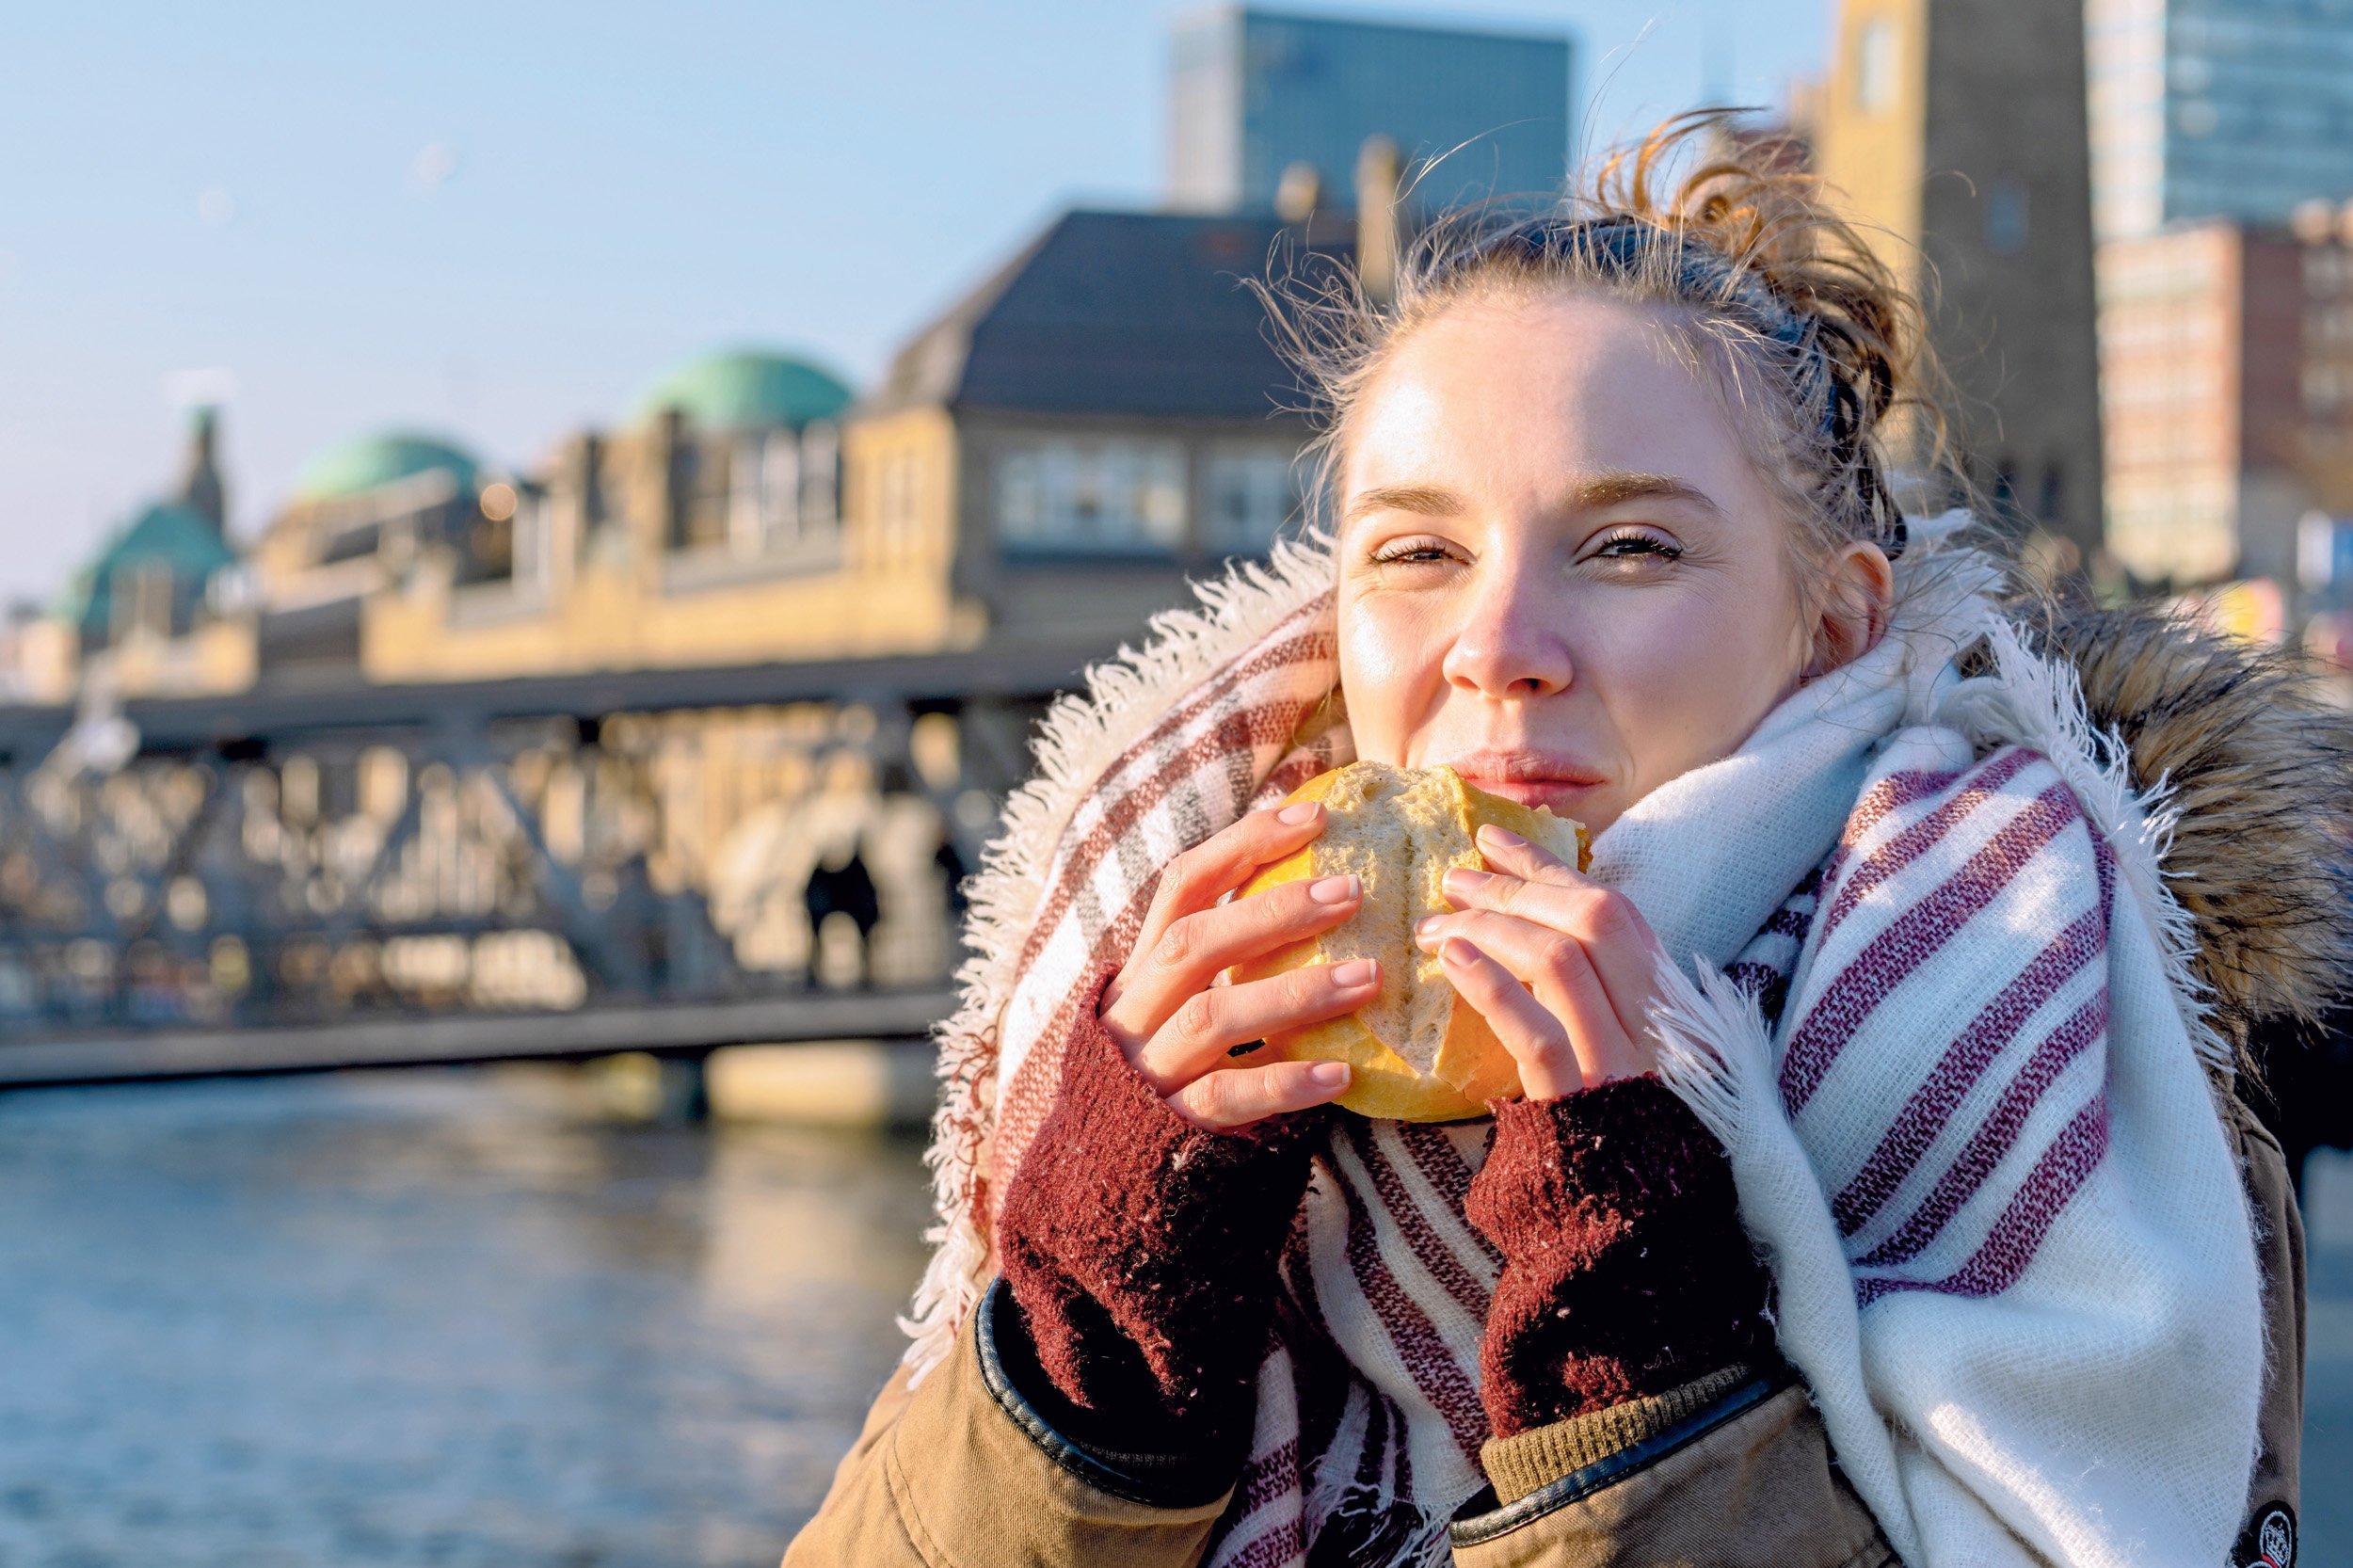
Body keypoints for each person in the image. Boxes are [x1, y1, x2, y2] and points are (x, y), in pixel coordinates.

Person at [786, 117, 2343, 1567]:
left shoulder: (2069, 1019)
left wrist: (1637, 1347)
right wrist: (1098, 1332)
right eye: (1416, 551)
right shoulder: (1141, 960)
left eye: (1630, 547)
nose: (1498, 645)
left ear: (1834, 623)